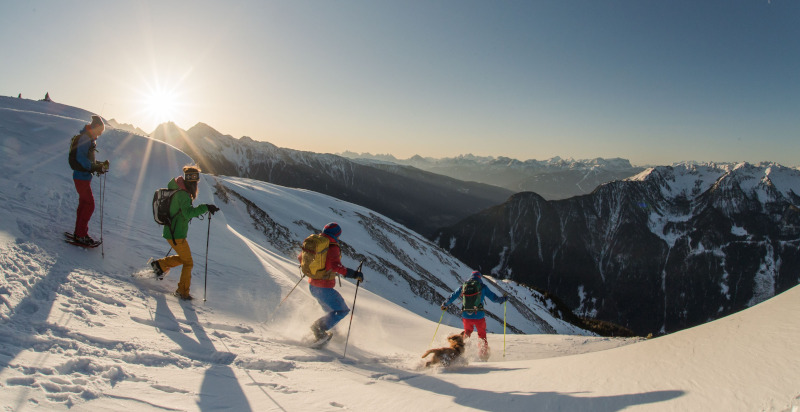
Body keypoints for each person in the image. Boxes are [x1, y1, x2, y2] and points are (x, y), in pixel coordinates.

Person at [150, 166, 219, 300]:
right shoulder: (183, 194)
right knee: (188, 263)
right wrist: (205, 207)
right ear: (192, 182)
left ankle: (160, 265)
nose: (196, 184)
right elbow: (187, 213)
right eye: (196, 182)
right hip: (176, 234)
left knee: (184, 259)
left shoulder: (179, 190)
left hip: (173, 232)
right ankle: (182, 291)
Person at [300, 222, 364, 344]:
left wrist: (313, 268)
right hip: (324, 288)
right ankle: (318, 329)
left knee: (330, 311)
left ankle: (332, 333)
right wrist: (354, 274)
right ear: (336, 235)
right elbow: (336, 266)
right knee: (342, 310)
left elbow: (301, 257)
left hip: (313, 285)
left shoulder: (316, 243)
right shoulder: (332, 247)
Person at [441, 271, 507, 361]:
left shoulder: (464, 286)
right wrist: (503, 299)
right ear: (479, 278)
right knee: (482, 334)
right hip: (479, 315)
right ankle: (483, 356)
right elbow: (494, 299)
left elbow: (454, 295)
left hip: (466, 315)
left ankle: (459, 351)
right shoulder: (482, 287)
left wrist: (445, 304)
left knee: (467, 332)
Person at [68, 115, 109, 246]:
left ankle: (79, 232)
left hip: (83, 177)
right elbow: (81, 158)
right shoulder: (85, 139)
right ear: (96, 127)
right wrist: (94, 167)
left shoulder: (89, 138)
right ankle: (80, 234)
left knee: (84, 204)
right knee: (89, 205)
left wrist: (99, 165)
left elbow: (88, 159)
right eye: (100, 131)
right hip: (81, 177)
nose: (101, 134)